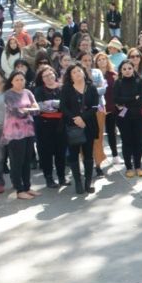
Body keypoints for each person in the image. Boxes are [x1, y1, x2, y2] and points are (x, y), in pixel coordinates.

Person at [61, 63, 101, 195]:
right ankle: (78, 182)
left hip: (89, 125)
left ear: (84, 72)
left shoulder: (91, 88)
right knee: (73, 154)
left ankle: (88, 182)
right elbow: (63, 107)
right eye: (74, 72)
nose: (77, 73)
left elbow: (95, 107)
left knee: (88, 154)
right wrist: (76, 119)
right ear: (70, 76)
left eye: (79, 70)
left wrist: (83, 119)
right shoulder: (66, 88)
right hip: (72, 126)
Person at [1, 71, 39, 199]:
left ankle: (27, 186)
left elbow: (37, 109)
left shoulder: (28, 92)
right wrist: (29, 110)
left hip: (28, 130)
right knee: (17, 161)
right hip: (14, 132)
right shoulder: (8, 94)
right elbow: (17, 112)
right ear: (11, 81)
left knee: (27, 160)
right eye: (17, 79)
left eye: (22, 79)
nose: (20, 81)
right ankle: (19, 189)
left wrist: (27, 110)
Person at [112, 60, 142, 177]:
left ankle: (138, 166)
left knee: (138, 141)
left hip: (138, 117)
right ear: (121, 71)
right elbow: (116, 99)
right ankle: (128, 167)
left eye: (129, 68)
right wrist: (133, 98)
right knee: (126, 141)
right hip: (123, 118)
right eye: (124, 69)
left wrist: (126, 101)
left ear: (133, 69)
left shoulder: (140, 82)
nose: (127, 71)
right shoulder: (118, 83)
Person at [34, 68, 68, 189]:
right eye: (45, 76)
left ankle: (62, 177)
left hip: (61, 124)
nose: (49, 77)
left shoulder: (63, 88)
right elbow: (40, 107)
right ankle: (49, 178)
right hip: (44, 125)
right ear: (41, 79)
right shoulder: (38, 90)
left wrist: (51, 103)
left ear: (55, 74)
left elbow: (66, 104)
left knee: (61, 152)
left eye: (50, 74)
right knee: (46, 153)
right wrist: (56, 104)